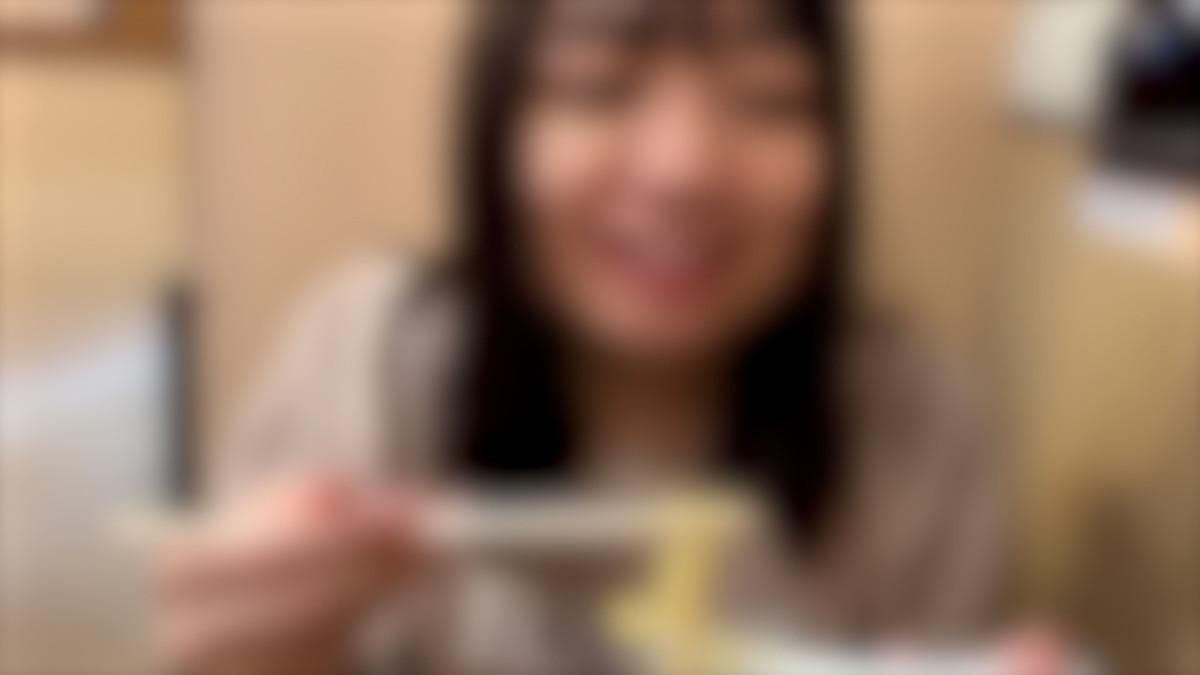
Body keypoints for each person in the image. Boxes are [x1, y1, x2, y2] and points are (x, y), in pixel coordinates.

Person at [154, 1, 1011, 673]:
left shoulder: (911, 418)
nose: (684, 168)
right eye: (599, 87)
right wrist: (258, 651)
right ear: (497, 128)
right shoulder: (374, 354)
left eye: (767, 98)